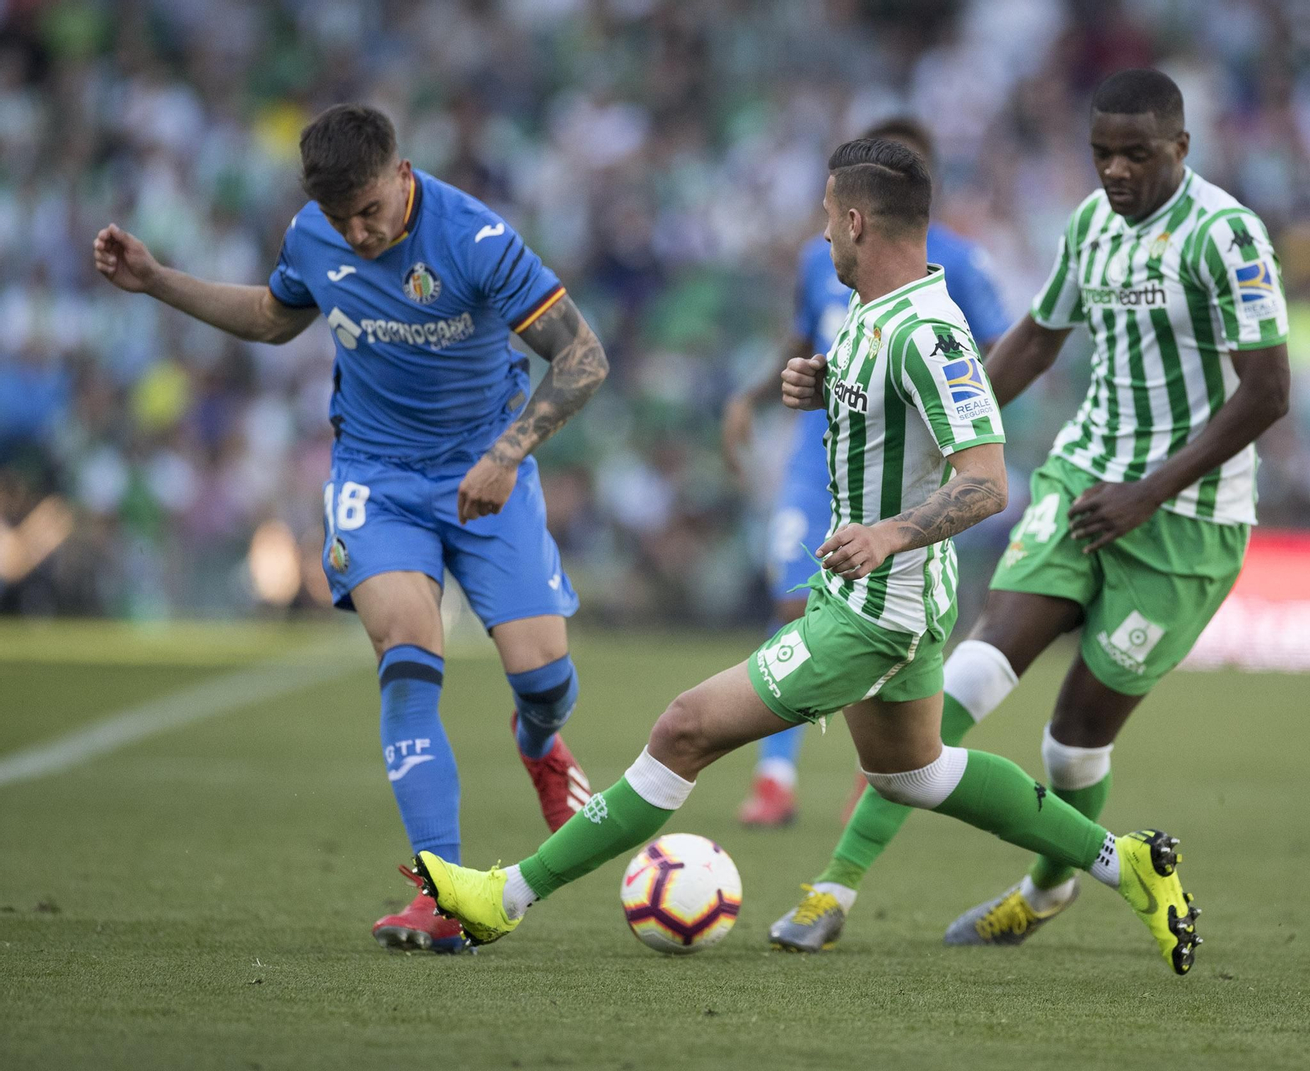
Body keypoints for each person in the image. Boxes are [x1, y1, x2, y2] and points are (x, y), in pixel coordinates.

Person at [409, 138, 1202, 977]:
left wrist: (891, 532)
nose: (823, 237)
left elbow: (987, 481)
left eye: (828, 220)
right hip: (875, 594)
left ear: (856, 220)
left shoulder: (932, 334)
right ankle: (1129, 863)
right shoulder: (875, 313)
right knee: (915, 774)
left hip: (876, 607)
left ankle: (502, 899)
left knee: (683, 727)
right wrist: (830, 386)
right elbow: (898, 416)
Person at [770, 68, 1289, 953]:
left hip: (1187, 521)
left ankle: (1050, 888)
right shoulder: (1089, 227)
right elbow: (1036, 342)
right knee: (968, 677)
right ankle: (833, 888)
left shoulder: (1226, 235)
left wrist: (1149, 492)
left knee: (1072, 747)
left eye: (1136, 154)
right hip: (1084, 483)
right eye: (1101, 154)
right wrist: (937, 440)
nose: (1115, 171)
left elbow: (1269, 391)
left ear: (1181, 149)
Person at [92, 104, 609, 954]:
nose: (359, 235)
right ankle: (444, 892)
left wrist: (510, 453)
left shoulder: (474, 239)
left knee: (544, 677)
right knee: (408, 657)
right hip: (376, 477)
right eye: (343, 220)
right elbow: (271, 316)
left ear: (403, 175)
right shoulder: (313, 234)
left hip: (489, 470)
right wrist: (157, 279)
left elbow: (584, 356)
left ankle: (541, 744)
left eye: (371, 211)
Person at [721, 117, 1010, 827]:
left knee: (883, 644)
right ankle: (777, 778)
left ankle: (880, 770)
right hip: (816, 461)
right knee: (792, 601)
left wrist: (947, 425)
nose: (827, 229)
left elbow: (995, 356)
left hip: (901, 476)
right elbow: (810, 334)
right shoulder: (821, 261)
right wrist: (764, 393)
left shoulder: (957, 269)